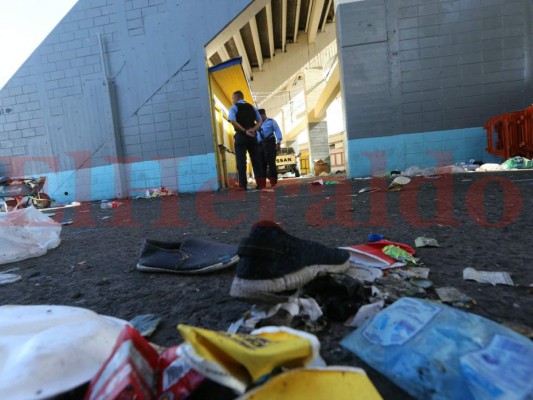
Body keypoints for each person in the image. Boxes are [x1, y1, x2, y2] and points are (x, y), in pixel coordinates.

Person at [228, 91, 263, 190]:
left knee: (241, 161)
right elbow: (260, 121)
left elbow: (233, 121)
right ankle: (260, 184)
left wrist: (244, 131)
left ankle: (243, 185)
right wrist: (253, 129)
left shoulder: (234, 107)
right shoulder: (252, 107)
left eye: (233, 98)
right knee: (256, 160)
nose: (232, 100)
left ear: (237, 98)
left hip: (241, 136)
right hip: (252, 136)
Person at [256, 109, 282, 188]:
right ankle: (262, 184)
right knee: (261, 164)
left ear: (263, 115)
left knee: (271, 163)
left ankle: (273, 183)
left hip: (270, 143)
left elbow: (278, 131)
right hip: (259, 145)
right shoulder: (256, 124)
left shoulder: (271, 121)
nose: (258, 118)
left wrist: (278, 142)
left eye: (259, 116)